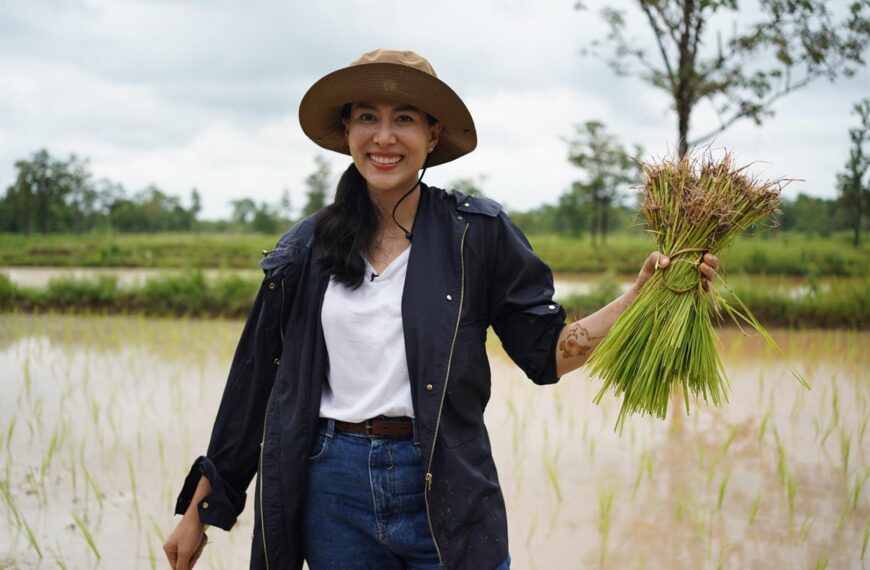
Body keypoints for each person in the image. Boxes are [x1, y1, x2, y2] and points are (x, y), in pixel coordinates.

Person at [162, 49, 719, 570]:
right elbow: (253, 384)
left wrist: (640, 296)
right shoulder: (305, 249)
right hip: (332, 486)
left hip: (445, 477)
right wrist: (199, 512)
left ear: (432, 135)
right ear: (347, 133)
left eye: (404, 118)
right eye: (366, 118)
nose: (384, 137)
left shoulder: (476, 234)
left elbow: (547, 353)